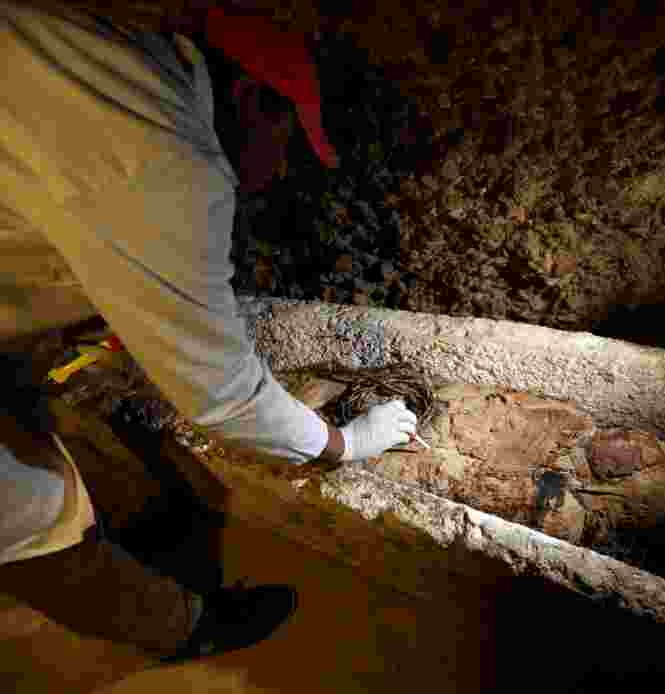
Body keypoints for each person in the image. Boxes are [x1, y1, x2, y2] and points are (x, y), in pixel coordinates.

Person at [0, 2, 418, 662]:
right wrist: (344, 444)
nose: (279, 169)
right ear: (252, 99)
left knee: (24, 403)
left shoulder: (114, 53)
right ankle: (182, 629)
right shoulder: (165, 159)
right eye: (286, 141)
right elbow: (223, 397)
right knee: (27, 510)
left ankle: (139, 531)